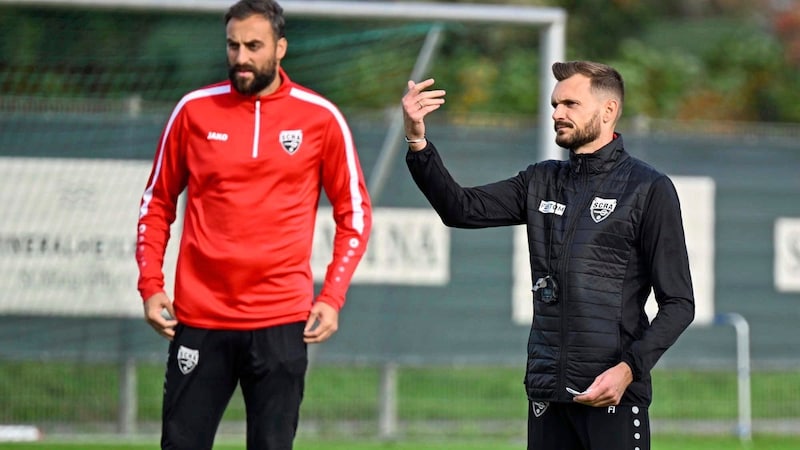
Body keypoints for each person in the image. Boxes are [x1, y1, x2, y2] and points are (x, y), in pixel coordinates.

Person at [402, 60, 694, 450]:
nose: (557, 113)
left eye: (570, 104)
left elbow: (679, 304)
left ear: (609, 111)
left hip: (612, 394)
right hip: (546, 392)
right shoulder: (540, 180)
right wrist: (418, 143)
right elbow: (461, 209)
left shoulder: (648, 188)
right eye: (555, 104)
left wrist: (628, 371)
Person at [134, 0, 372, 448]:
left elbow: (355, 213)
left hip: (281, 320)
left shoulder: (320, 117)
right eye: (233, 45)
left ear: (280, 48)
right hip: (201, 317)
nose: (241, 57)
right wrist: (150, 283)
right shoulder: (193, 111)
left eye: (253, 46)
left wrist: (333, 295)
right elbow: (156, 203)